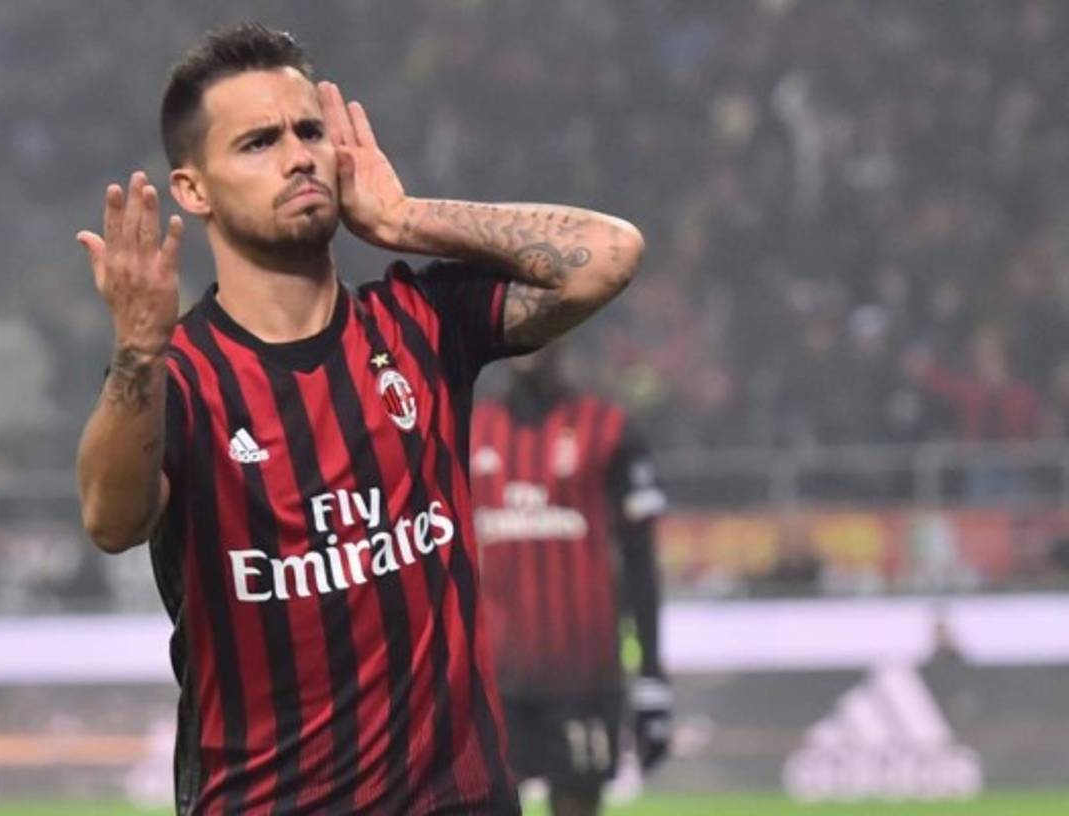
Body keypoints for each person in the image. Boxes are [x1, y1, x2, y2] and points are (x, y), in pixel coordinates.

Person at [73, 22, 644, 816]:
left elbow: (609, 255)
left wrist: (406, 219)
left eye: (310, 132)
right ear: (194, 190)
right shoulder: (182, 376)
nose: (299, 156)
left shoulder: (420, 322)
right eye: (259, 142)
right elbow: (110, 520)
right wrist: (137, 351)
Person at [470, 345, 670, 816]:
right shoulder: (471, 429)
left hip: (584, 676)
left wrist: (652, 678)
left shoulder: (608, 429)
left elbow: (641, 563)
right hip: (491, 680)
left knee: (577, 805)